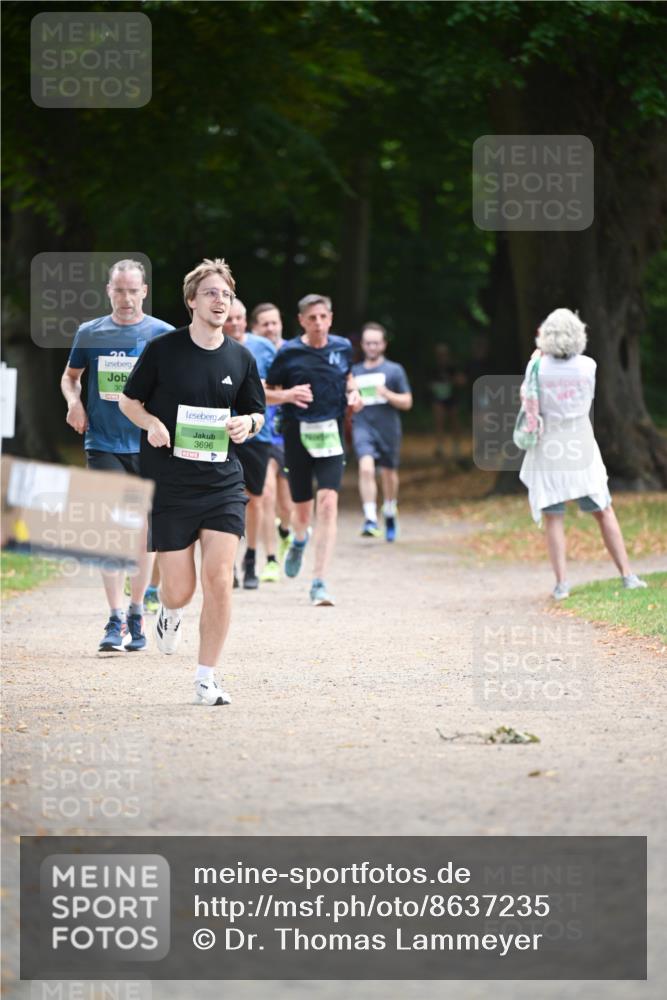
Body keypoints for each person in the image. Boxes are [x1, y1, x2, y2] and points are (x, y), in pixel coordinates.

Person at [119, 258, 266, 706]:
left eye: (226, 294)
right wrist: (151, 424)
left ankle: (206, 677)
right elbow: (128, 401)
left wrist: (248, 425)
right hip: (171, 484)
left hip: (222, 482)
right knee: (180, 590)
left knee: (220, 578)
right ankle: (168, 608)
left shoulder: (240, 357)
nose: (220, 300)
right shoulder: (163, 350)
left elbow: (256, 411)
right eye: (211, 293)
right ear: (191, 302)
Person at [61, 259, 173, 653]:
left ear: (144, 292)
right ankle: (114, 618)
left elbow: (177, 386)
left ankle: (137, 612)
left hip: (146, 445)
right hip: (103, 442)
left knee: (142, 531)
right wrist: (74, 403)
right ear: (109, 290)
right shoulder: (90, 332)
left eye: (133, 290)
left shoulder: (162, 335)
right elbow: (70, 377)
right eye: (119, 290)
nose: (126, 298)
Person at [518, 308, 647, 600]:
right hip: (580, 443)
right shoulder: (588, 365)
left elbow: (526, 401)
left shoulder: (537, 367)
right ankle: (627, 574)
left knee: (553, 516)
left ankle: (562, 583)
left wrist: (533, 362)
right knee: (603, 509)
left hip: (548, 446)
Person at [265, 294, 362, 606]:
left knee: (329, 504)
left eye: (323, 317)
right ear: (302, 321)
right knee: (303, 510)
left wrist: (355, 394)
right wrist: (289, 395)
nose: (318, 323)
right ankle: (299, 539)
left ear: (330, 319)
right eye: (312, 318)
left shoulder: (343, 347)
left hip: (331, 434)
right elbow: (265, 392)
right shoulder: (289, 352)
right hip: (297, 434)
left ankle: (319, 581)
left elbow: (349, 379)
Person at [222, 298, 276, 589]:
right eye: (231, 318)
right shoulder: (213, 347)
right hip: (222, 432)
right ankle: (227, 563)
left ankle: (251, 559)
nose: (236, 324)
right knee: (228, 498)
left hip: (256, 434)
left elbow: (277, 388)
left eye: (240, 318)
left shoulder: (263, 347)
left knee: (255, 499)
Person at [351, 322, 413, 541]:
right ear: (362, 345)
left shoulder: (394, 370)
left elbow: (407, 402)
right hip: (362, 427)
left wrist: (387, 393)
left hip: (388, 429)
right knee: (366, 469)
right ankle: (370, 518)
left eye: (376, 343)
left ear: (384, 344)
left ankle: (389, 509)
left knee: (389, 474)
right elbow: (348, 400)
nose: (372, 347)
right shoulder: (354, 372)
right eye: (368, 343)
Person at [250, 302, 293, 582]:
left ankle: (286, 532)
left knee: (287, 505)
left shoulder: (293, 353)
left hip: (289, 435)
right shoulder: (248, 353)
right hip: (263, 434)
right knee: (265, 494)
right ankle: (271, 559)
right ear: (255, 328)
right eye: (265, 324)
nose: (270, 328)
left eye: (274, 322)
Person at [430, 343, 463, 460]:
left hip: (452, 398)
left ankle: (456, 447)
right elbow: (428, 383)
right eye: (439, 354)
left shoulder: (453, 367)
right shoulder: (433, 368)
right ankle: (440, 447)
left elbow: (461, 380)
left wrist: (453, 381)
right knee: (439, 421)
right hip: (438, 398)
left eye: (444, 354)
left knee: (454, 422)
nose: (442, 356)